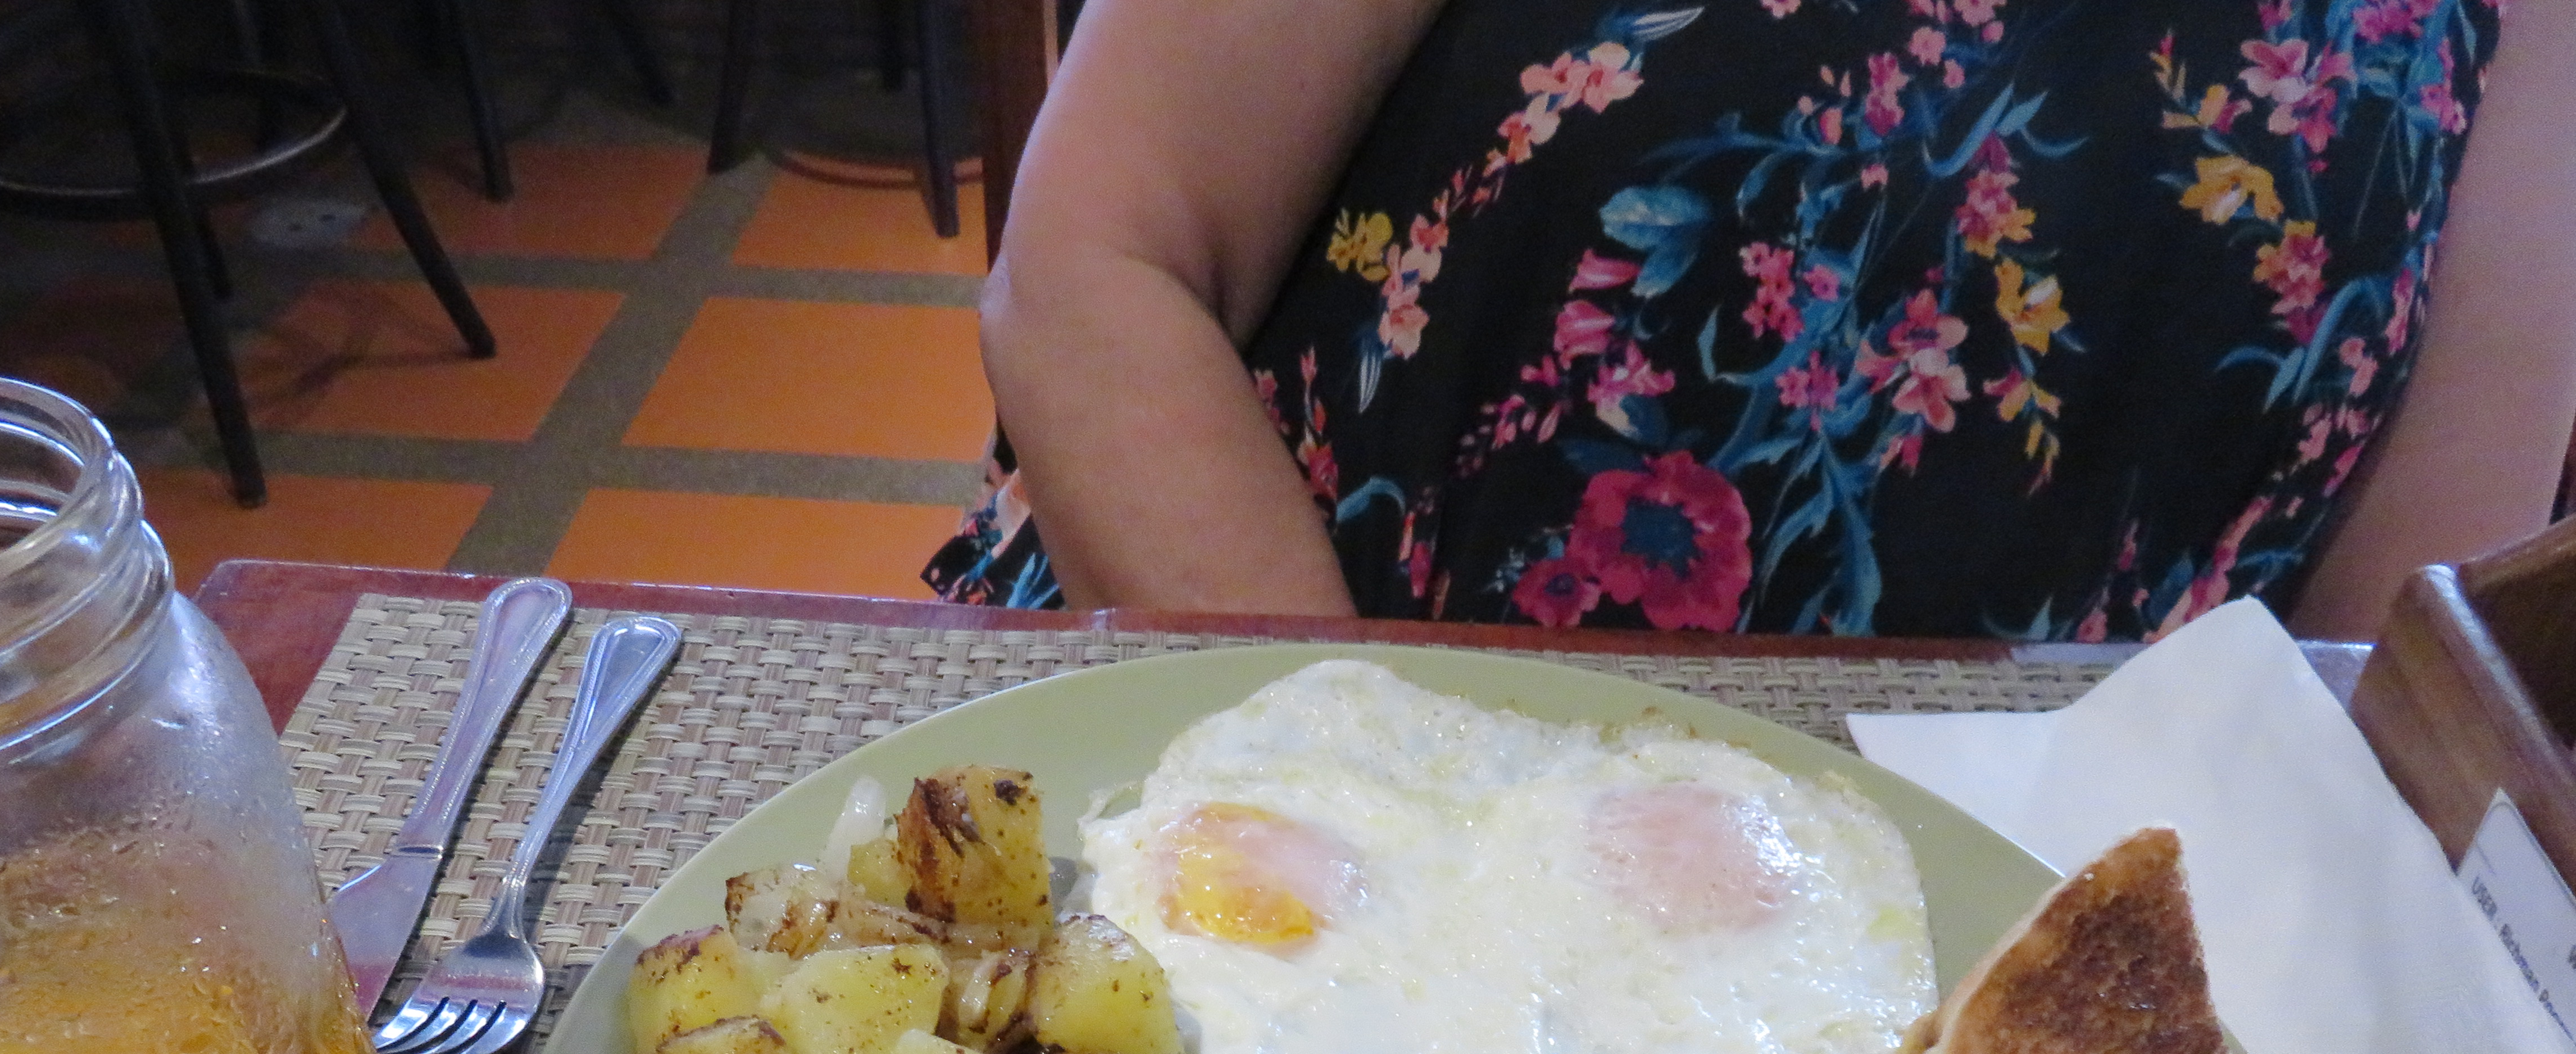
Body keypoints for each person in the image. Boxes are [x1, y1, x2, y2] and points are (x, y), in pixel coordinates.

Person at [927, 0, 2576, 640]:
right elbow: (1101, 268)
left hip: (1992, 963)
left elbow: (2399, 653)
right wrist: (1344, 819)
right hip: (1252, 755)